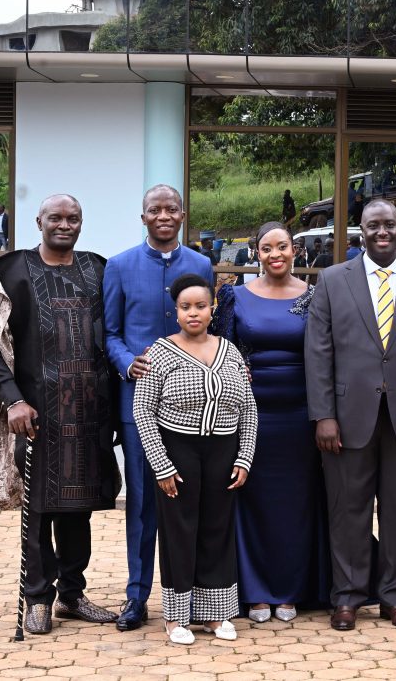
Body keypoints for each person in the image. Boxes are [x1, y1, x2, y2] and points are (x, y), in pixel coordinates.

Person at [0, 194, 120, 635]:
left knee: (78, 509)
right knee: (38, 509)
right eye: (56, 217)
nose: (65, 224)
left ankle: (72, 593)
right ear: (39, 221)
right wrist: (12, 398)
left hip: (89, 415)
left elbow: (115, 330)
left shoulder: (97, 268)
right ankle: (37, 597)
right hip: (35, 413)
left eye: (73, 218)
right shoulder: (11, 270)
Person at [305, 199, 396, 631]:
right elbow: (318, 353)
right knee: (347, 510)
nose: (382, 231)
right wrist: (323, 415)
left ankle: (395, 597)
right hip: (347, 418)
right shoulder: (332, 280)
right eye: (373, 225)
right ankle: (347, 597)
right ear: (361, 232)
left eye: (389, 224)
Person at [103, 184, 214, 632]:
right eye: (155, 209)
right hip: (141, 406)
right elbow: (109, 332)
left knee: (193, 502)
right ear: (143, 216)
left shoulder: (201, 264)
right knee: (145, 503)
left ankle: (192, 596)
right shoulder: (120, 266)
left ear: (183, 214)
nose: (164, 215)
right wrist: (128, 363)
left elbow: (211, 324)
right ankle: (137, 596)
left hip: (193, 413)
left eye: (171, 208)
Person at [211, 222, 330, 625]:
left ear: (294, 250)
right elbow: (219, 349)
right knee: (252, 503)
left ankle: (291, 590)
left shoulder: (315, 297)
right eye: (266, 248)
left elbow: (327, 354)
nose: (274, 254)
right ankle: (256, 592)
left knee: (295, 505)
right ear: (256, 254)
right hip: (250, 417)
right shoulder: (234, 296)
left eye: (282, 246)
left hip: (300, 417)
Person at [133, 274, 257, 645]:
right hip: (178, 451)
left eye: (201, 306)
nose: (193, 313)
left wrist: (244, 456)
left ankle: (215, 616)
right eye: (185, 307)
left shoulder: (230, 351)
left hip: (223, 451)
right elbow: (142, 410)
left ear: (212, 308)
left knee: (217, 531)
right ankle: (176, 618)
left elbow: (249, 408)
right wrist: (162, 465)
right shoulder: (160, 351)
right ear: (176, 311)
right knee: (179, 532)